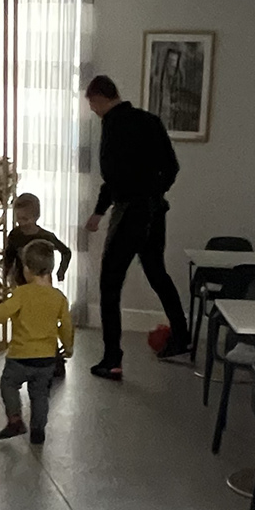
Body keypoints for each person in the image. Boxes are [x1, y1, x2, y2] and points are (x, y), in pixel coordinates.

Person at [81, 75, 190, 376]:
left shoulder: (113, 125)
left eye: (92, 105)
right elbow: (172, 167)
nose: (93, 111)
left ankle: (112, 359)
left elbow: (112, 176)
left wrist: (100, 211)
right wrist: (154, 193)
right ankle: (182, 336)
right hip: (155, 211)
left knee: (110, 285)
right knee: (157, 274)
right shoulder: (150, 121)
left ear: (99, 98)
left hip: (129, 213)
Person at [0, 240, 76, 444]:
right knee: (40, 395)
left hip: (20, 358)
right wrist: (69, 347)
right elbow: (66, 326)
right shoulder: (59, 298)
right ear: (50, 268)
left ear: (27, 269)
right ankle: (38, 430)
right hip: (46, 359)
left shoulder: (21, 294)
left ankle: (15, 420)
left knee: (8, 384)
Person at [1, 192, 72, 380]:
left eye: (25, 219)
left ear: (36, 217)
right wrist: (6, 274)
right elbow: (8, 256)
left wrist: (61, 272)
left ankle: (55, 361)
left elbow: (66, 252)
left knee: (46, 324)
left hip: (43, 288)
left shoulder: (46, 236)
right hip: (21, 286)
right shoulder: (15, 235)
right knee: (24, 325)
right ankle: (26, 361)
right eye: (18, 219)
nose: (21, 223)